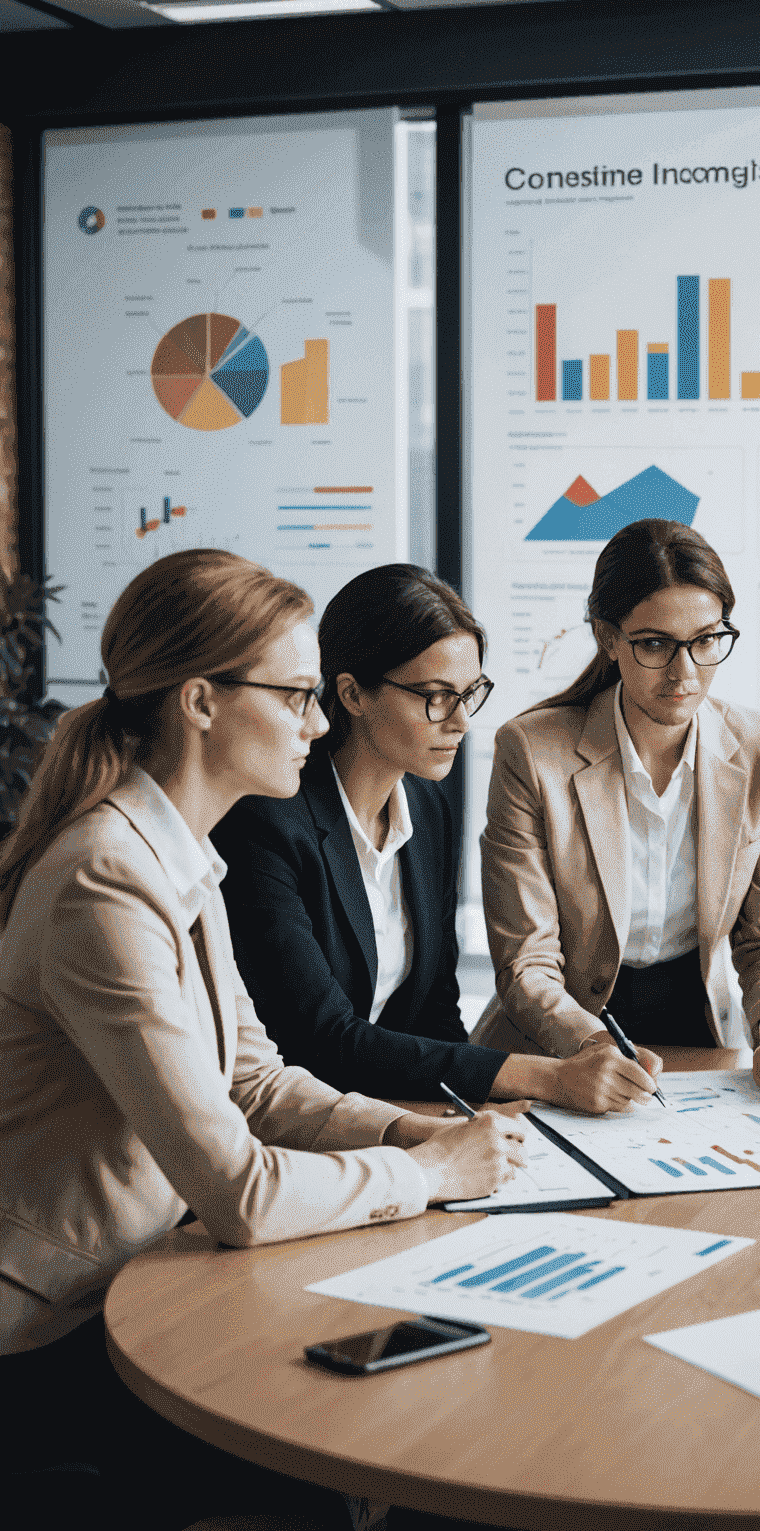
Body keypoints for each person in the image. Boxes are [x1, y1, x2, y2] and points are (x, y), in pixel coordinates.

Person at [0, 549, 523, 1531]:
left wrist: (405, 1136)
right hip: (56, 1336)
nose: (319, 722)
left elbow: (260, 1081)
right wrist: (431, 1176)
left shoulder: (179, 853)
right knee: (377, 1472)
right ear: (201, 702)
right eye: (293, 696)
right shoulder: (102, 881)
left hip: (151, 1281)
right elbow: (241, 1191)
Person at [474, 517, 760, 1108]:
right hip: (557, 1046)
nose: (686, 674)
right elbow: (527, 964)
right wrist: (592, 1046)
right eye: (656, 645)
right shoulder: (532, 753)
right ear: (608, 638)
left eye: (707, 641)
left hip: (705, 1041)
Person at [214, 563, 548, 1105]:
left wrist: (470, 1115)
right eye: (436, 696)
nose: (461, 720)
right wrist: (539, 1076)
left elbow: (434, 1006)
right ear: (352, 693)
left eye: (471, 693)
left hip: (391, 1109)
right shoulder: (267, 820)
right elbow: (319, 1040)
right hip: (295, 1127)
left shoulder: (427, 804)